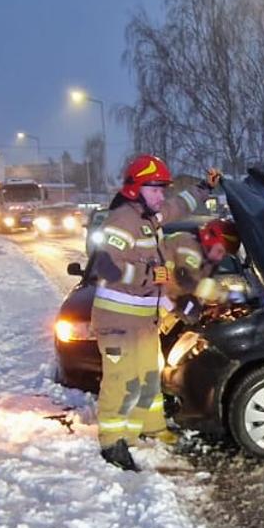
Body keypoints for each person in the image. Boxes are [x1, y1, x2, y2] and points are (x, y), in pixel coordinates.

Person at [88, 155, 220, 470]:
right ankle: (112, 442)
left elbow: (178, 206)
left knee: (148, 377)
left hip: (143, 321)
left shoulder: (150, 218)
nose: (162, 196)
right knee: (120, 379)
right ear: (136, 189)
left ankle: (150, 428)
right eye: (156, 189)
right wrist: (153, 276)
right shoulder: (123, 220)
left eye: (163, 189)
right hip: (118, 322)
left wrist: (204, 188)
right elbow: (107, 266)